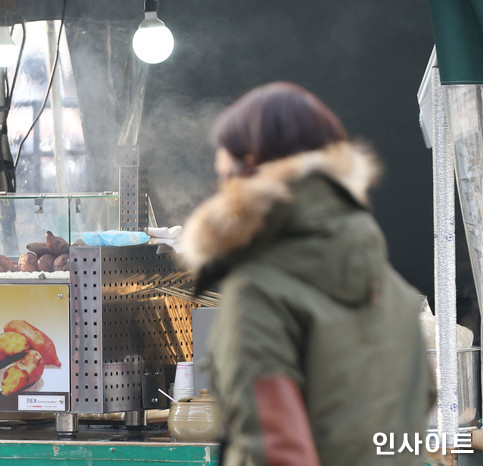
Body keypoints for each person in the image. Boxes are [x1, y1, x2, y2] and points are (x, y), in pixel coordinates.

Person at [179, 82, 435, 465]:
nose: (218, 174)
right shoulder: (395, 291)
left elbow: (276, 450)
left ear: (248, 164)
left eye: (222, 161)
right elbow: (413, 425)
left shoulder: (259, 292)